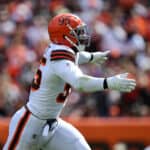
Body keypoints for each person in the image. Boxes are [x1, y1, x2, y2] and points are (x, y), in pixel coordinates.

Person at [3, 13, 136, 150]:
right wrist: (109, 83)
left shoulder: (60, 50)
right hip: (29, 124)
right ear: (63, 36)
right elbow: (80, 82)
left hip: (51, 124)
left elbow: (76, 56)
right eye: (77, 33)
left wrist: (91, 57)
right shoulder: (60, 57)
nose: (82, 36)